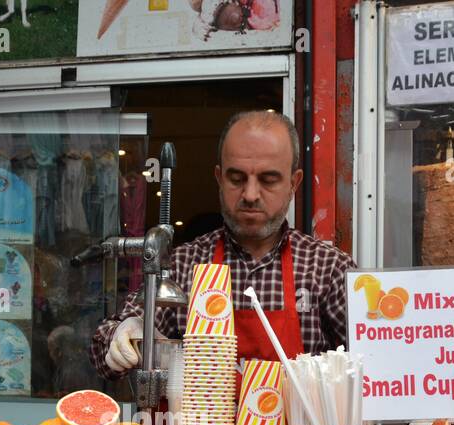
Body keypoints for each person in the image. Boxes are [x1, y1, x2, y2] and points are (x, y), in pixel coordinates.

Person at [90, 110, 356, 376]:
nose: (250, 194)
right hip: (201, 419)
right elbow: (101, 349)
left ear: (293, 183)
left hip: (296, 420)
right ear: (219, 178)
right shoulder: (182, 266)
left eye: (268, 179)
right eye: (237, 179)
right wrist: (126, 332)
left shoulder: (328, 269)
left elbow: (372, 368)